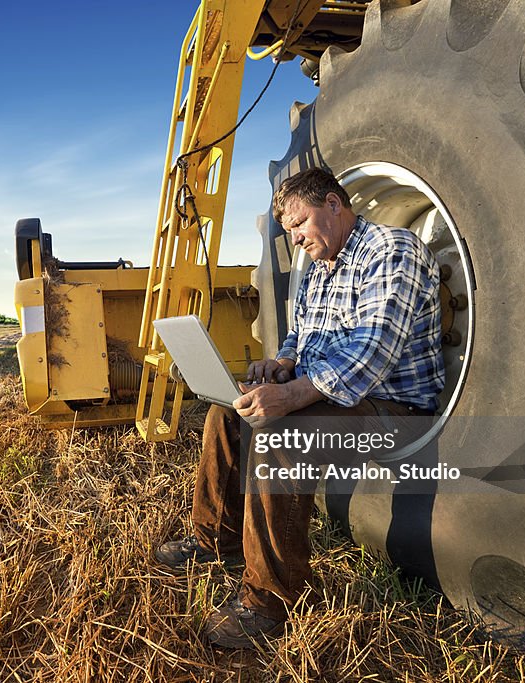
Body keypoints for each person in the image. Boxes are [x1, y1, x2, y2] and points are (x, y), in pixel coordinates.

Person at [153, 167, 445, 648]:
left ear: (334, 203)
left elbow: (373, 350)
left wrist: (290, 396)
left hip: (394, 408)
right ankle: (214, 542)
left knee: (277, 437)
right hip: (336, 398)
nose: (294, 238)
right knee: (226, 417)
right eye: (287, 230)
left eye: (299, 223)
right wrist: (283, 363)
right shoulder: (320, 267)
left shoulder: (392, 251)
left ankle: (271, 599)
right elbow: (301, 333)